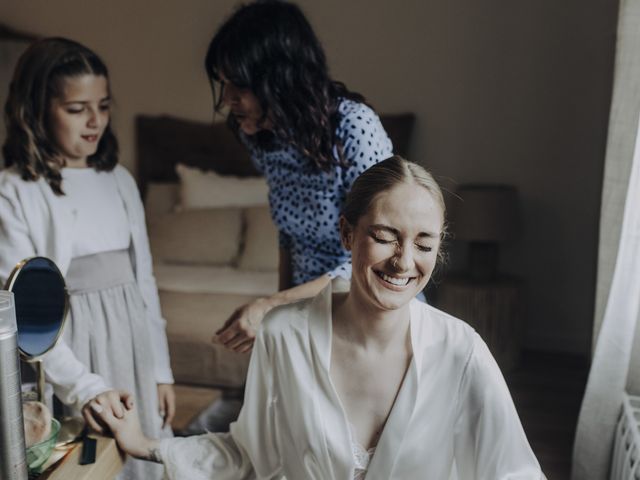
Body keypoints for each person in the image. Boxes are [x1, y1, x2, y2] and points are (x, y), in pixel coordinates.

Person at [97, 156, 544, 479]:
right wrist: (146, 445)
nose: (404, 262)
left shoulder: (460, 350)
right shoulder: (284, 335)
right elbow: (250, 452)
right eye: (386, 237)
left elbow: (514, 472)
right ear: (348, 234)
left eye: (424, 244)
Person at [0, 37, 174, 480]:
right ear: (38, 110)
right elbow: (27, 316)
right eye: (77, 109)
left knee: (143, 458)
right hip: (71, 358)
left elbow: (144, 281)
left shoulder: (119, 180)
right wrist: (84, 387)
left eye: (104, 105)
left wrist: (160, 369)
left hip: (132, 344)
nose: (94, 121)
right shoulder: (15, 191)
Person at [208, 0, 394, 353]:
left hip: (368, 310)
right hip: (306, 311)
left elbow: (376, 253)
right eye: (222, 83)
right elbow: (288, 237)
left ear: (281, 79)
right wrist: (281, 311)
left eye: (239, 85)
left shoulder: (354, 128)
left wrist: (272, 306)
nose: (227, 98)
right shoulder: (262, 137)